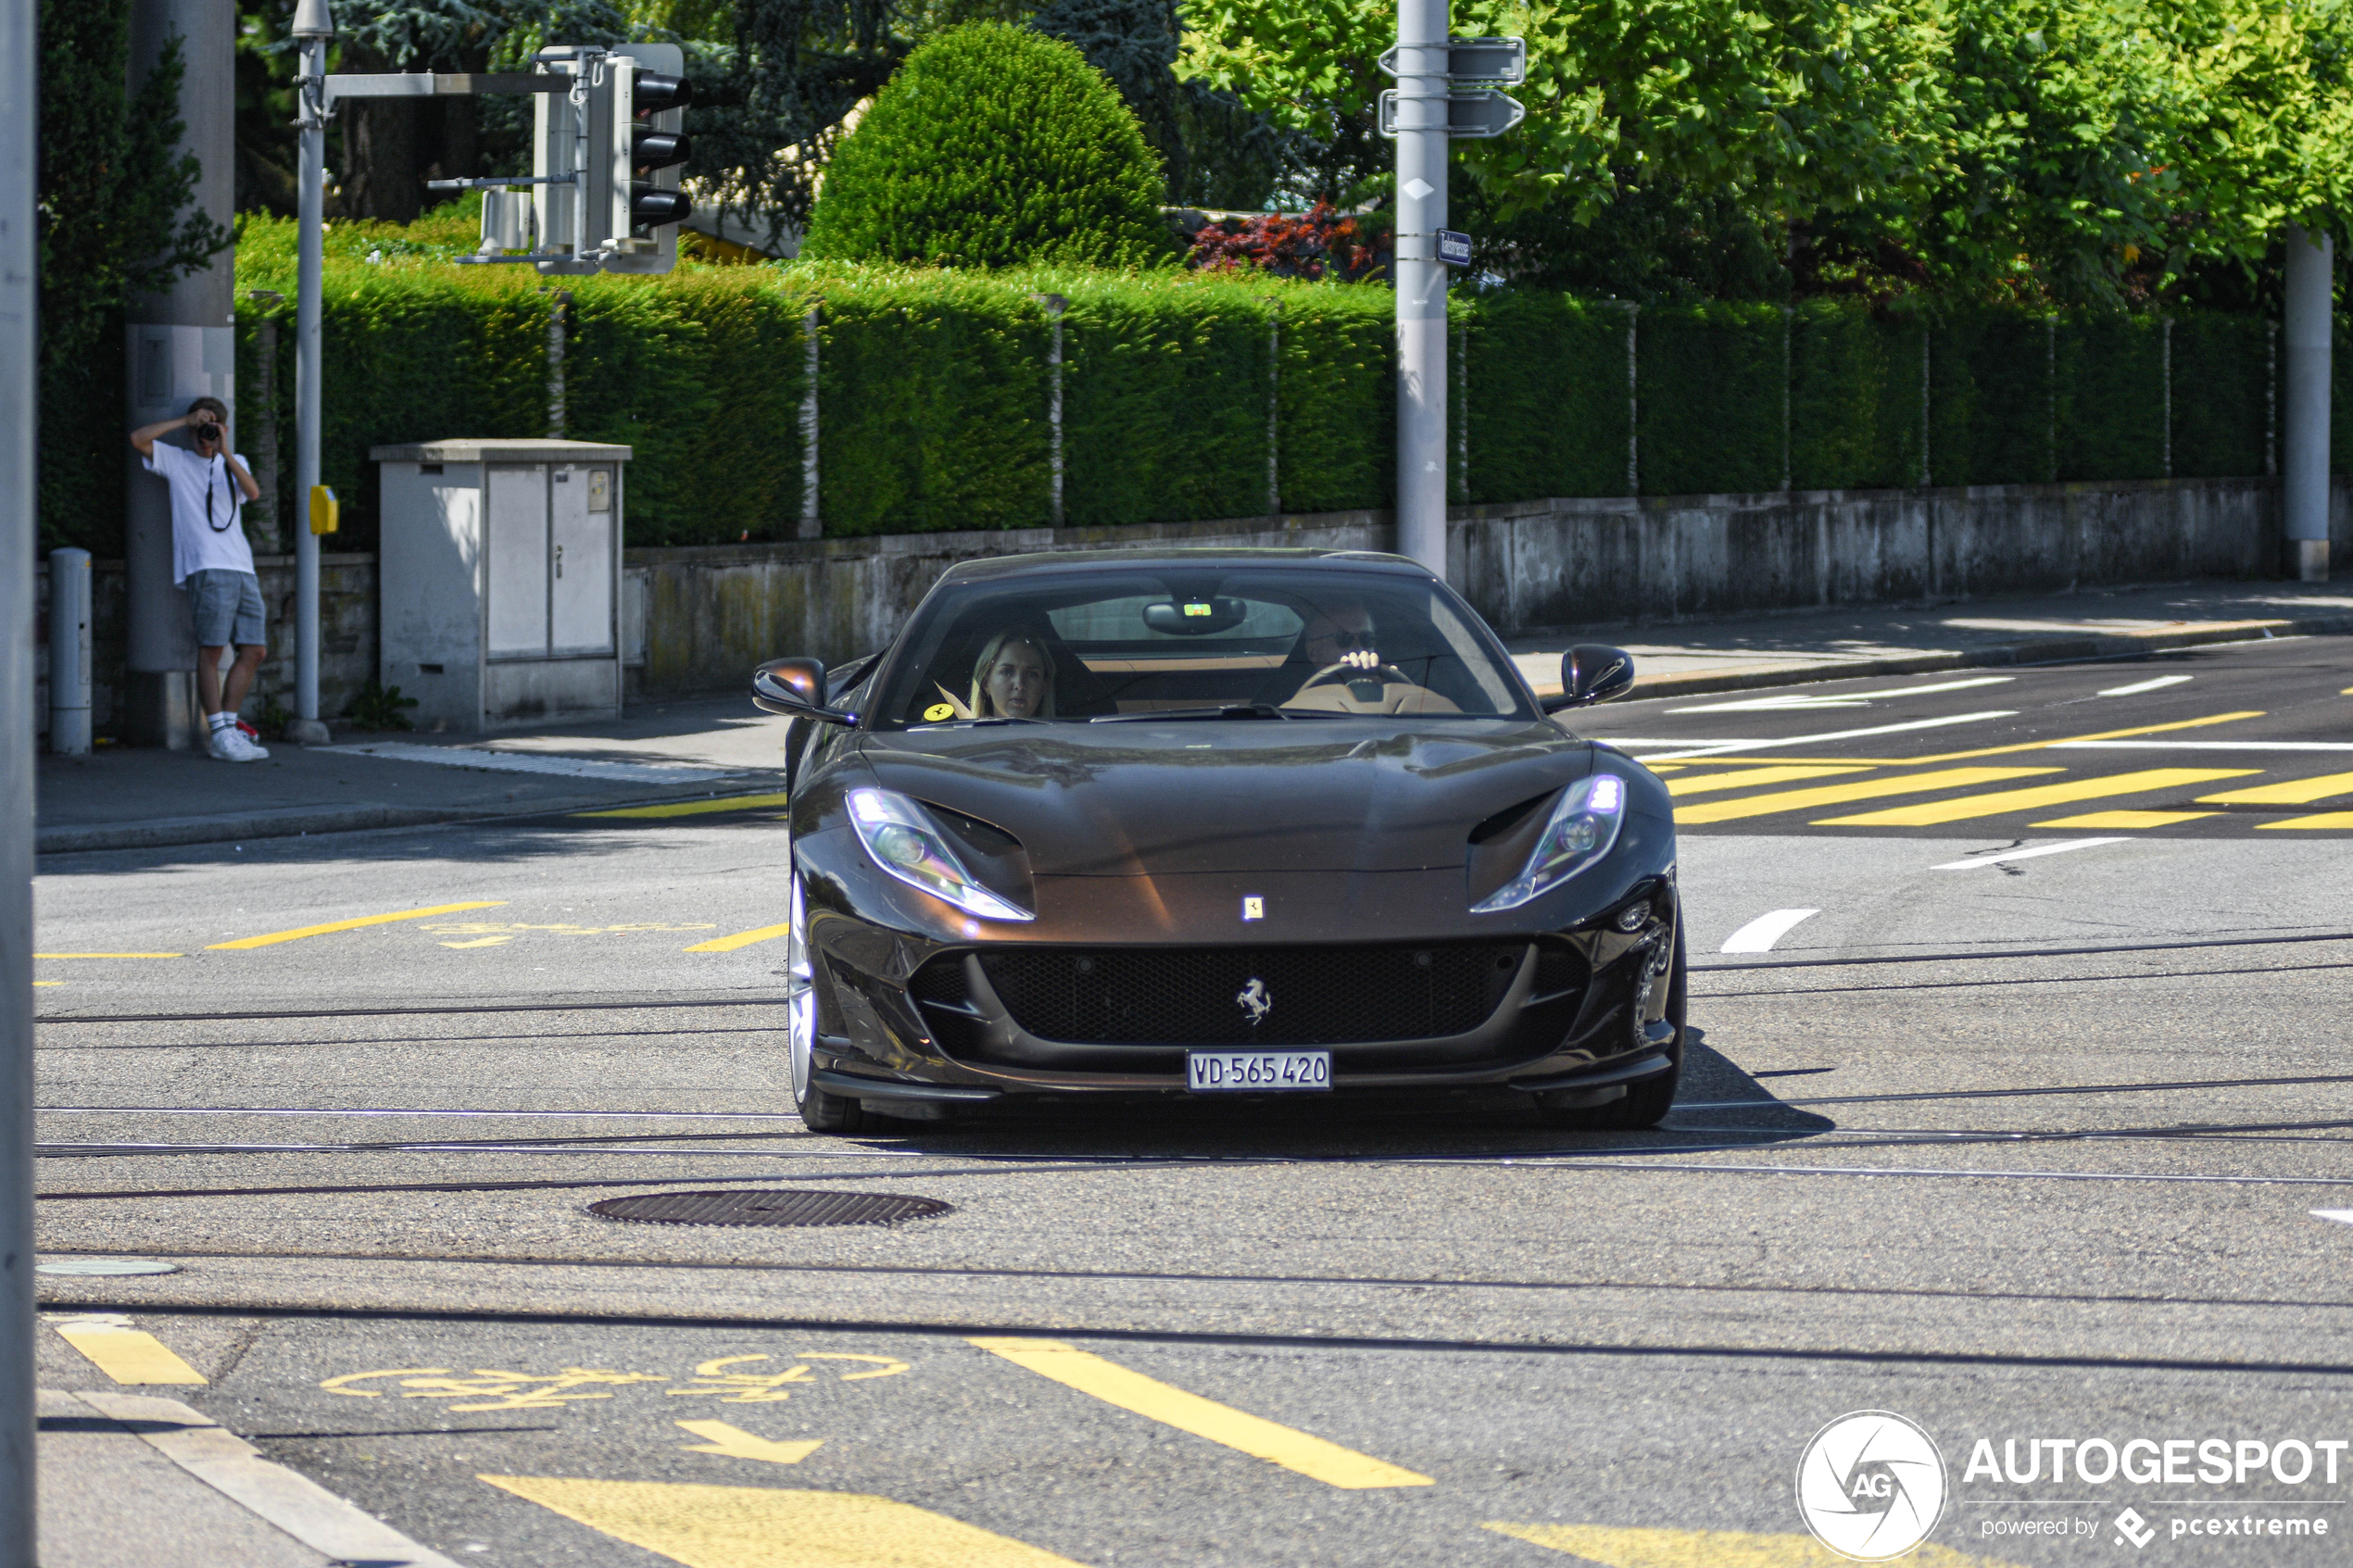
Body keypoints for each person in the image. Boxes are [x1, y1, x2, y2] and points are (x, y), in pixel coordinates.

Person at [130, 397, 270, 761]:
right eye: (198, 432)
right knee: (211, 650)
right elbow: (138, 439)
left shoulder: (232, 463)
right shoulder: (177, 462)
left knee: (255, 650)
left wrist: (224, 450)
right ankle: (220, 734)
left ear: (223, 430)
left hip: (242, 567)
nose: (202, 439)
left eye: (209, 432)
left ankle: (231, 728)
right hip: (206, 566)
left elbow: (252, 492)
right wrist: (183, 420)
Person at [967, 630, 1055, 719]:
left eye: (1031, 674)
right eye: (1007, 672)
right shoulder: (962, 732)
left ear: (1044, 686)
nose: (1019, 685)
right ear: (985, 683)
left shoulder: (1064, 732)